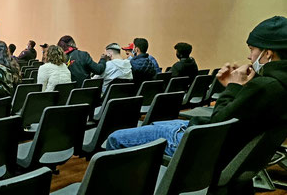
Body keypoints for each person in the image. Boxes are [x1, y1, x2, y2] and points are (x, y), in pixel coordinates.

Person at [106, 16, 287, 157]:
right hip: (208, 136)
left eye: (252, 50)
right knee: (157, 123)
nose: (250, 57)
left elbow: (218, 126)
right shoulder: (277, 85)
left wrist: (232, 87)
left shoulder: (265, 87)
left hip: (200, 143)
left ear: (268, 53)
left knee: (115, 138)